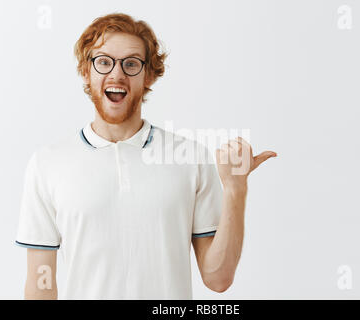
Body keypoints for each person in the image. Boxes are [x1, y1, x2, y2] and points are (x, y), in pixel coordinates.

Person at [15, 12, 277, 300]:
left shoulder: (189, 158)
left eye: (131, 64)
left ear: (148, 75)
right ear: (86, 71)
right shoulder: (48, 164)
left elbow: (218, 278)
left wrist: (236, 189)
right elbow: (41, 283)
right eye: (103, 62)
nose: (117, 74)